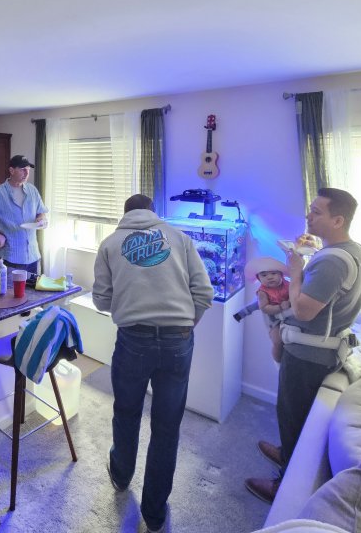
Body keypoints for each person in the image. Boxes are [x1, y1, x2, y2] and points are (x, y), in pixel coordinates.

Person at [93, 194, 214, 533]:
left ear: (125, 214)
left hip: (133, 339)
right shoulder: (180, 238)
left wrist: (129, 299)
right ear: (152, 212)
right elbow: (204, 293)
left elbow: (101, 300)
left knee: (126, 411)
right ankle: (155, 514)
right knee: (167, 426)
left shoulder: (110, 244)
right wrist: (185, 325)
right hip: (178, 339)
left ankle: (121, 475)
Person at [245, 187, 361, 505]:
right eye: (310, 209)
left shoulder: (332, 262)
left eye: (316, 212)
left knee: (294, 415)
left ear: (338, 220)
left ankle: (284, 485)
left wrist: (295, 271)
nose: (308, 216)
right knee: (292, 412)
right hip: (322, 348)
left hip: (308, 354)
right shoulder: (355, 251)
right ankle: (286, 452)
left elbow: (303, 310)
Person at [245, 256, 292, 363]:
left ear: (281, 274)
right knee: (277, 340)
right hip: (273, 318)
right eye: (264, 275)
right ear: (258, 278)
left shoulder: (287, 284)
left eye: (273, 273)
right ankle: (278, 361)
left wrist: (289, 301)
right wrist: (280, 307)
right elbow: (264, 308)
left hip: (288, 313)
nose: (269, 277)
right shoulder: (262, 292)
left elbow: (294, 293)